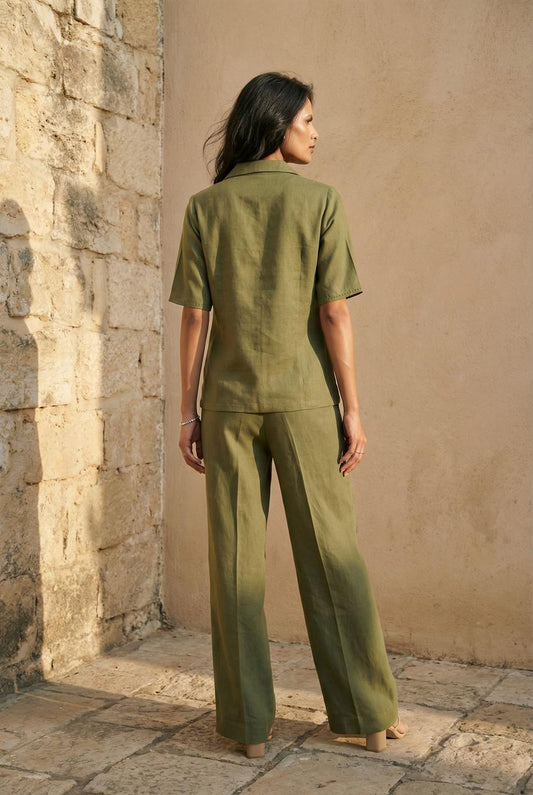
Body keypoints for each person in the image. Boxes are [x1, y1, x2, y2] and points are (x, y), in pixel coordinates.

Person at [168, 71, 408, 758]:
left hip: (228, 405)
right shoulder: (320, 202)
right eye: (306, 121)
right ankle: (367, 713)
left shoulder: (205, 207)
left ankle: (247, 726)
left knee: (234, 561)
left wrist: (188, 412)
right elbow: (334, 314)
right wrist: (352, 409)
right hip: (305, 403)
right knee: (333, 555)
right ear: (276, 125)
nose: (315, 133)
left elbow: (195, 318)